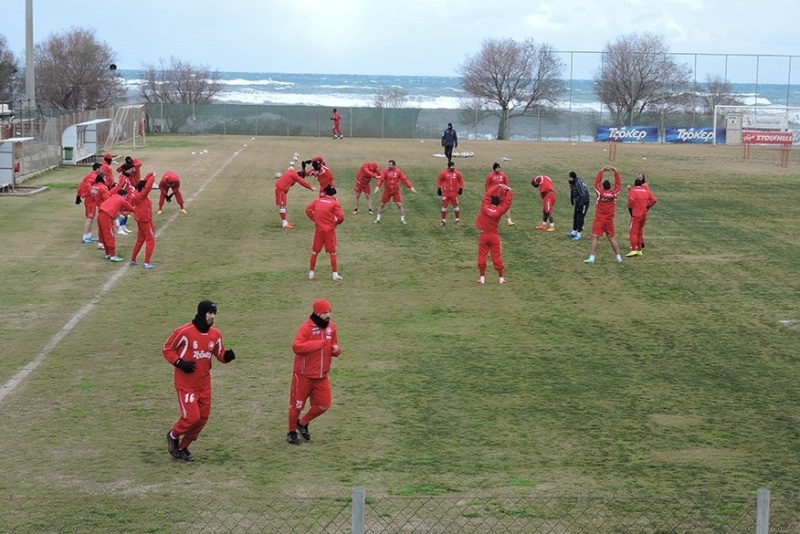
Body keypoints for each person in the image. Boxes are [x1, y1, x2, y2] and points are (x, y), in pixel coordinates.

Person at [163, 300, 236, 461]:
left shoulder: (215, 335)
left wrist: (227, 357)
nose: (212, 317)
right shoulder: (184, 332)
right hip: (186, 385)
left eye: (214, 313)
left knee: (201, 420)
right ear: (202, 313)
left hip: (204, 385)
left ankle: (183, 447)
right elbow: (167, 348)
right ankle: (173, 435)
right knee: (192, 417)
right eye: (210, 313)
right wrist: (179, 363)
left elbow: (219, 353)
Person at [286, 298, 341, 445]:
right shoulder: (306, 328)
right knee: (297, 406)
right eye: (325, 313)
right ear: (317, 313)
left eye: (329, 312)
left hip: (321, 376)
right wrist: (319, 344)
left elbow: (334, 344)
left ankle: (302, 423)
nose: (328, 316)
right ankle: (291, 432)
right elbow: (297, 347)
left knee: (324, 404)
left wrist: (336, 350)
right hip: (303, 375)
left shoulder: (331, 328)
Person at [475, 183, 514, 284]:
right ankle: (501, 278)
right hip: (494, 236)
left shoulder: (484, 206)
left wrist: (498, 186)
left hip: (483, 235)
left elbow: (487, 195)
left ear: (491, 201)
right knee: (496, 257)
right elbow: (507, 204)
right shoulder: (499, 211)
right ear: (498, 203)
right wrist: (509, 191)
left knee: (482, 256)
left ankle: (482, 278)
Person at [584, 166, 623, 264]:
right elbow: (619, 184)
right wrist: (616, 171)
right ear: (610, 187)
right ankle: (618, 258)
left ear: (603, 186)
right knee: (611, 238)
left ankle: (592, 258)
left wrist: (602, 170)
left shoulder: (600, 193)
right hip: (609, 220)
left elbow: (596, 183)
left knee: (595, 237)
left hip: (599, 219)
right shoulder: (614, 194)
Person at [305, 185, 345, 281]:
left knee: (315, 251)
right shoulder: (334, 203)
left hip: (319, 230)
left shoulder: (317, 201)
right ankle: (334, 274)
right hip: (329, 231)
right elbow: (341, 217)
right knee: (333, 252)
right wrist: (335, 223)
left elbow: (308, 210)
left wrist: (315, 219)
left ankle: (311, 272)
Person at [374, 160, 417, 224]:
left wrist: (410, 187)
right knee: (382, 205)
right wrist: (377, 186)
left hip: (395, 192)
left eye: (390, 165)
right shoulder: (385, 171)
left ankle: (402, 219)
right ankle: (378, 218)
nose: (388, 166)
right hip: (387, 191)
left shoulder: (398, 172)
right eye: (388, 164)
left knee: (399, 205)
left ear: (394, 165)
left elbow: (404, 179)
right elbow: (381, 179)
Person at [97, 187, 134, 262]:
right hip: (106, 216)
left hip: (100, 215)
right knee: (109, 235)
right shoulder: (121, 199)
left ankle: (108, 254)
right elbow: (131, 208)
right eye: (126, 196)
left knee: (103, 235)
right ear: (123, 195)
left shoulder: (113, 196)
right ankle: (113, 256)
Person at [129, 172, 157, 269]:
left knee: (140, 240)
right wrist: (153, 177)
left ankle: (133, 260)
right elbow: (147, 187)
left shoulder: (138, 194)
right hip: (145, 221)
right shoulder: (141, 196)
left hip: (142, 220)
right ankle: (147, 263)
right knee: (151, 241)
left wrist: (149, 174)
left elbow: (144, 183)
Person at [626, 175, 658, 257]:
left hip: (636, 214)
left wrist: (630, 207)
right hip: (644, 214)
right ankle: (639, 249)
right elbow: (654, 199)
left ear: (635, 184)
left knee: (633, 232)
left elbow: (631, 200)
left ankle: (633, 249)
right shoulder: (646, 191)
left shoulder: (633, 191)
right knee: (640, 231)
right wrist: (648, 206)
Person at [75, 162, 102, 243]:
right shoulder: (93, 176)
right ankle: (85, 237)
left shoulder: (90, 175)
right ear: (97, 169)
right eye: (101, 168)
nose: (102, 170)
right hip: (90, 199)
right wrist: (92, 190)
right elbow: (87, 184)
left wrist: (78, 195)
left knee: (91, 217)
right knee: (89, 218)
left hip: (91, 199)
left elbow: (82, 184)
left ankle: (88, 235)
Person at [436, 160, 464, 225]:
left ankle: (457, 220)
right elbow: (439, 181)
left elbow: (461, 180)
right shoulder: (443, 173)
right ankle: (443, 221)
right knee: (444, 207)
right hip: (446, 193)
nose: (453, 167)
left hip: (454, 194)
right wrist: (439, 188)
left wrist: (461, 188)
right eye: (452, 166)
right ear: (449, 167)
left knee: (456, 207)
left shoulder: (457, 173)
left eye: (454, 166)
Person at [566, 171, 591, 240]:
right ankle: (574, 231)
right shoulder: (572, 182)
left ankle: (579, 233)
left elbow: (583, 194)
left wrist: (581, 204)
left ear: (573, 178)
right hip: (578, 201)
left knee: (580, 217)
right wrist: (572, 199)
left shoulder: (578, 183)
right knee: (575, 216)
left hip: (584, 202)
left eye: (569, 177)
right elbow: (572, 191)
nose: (568, 178)